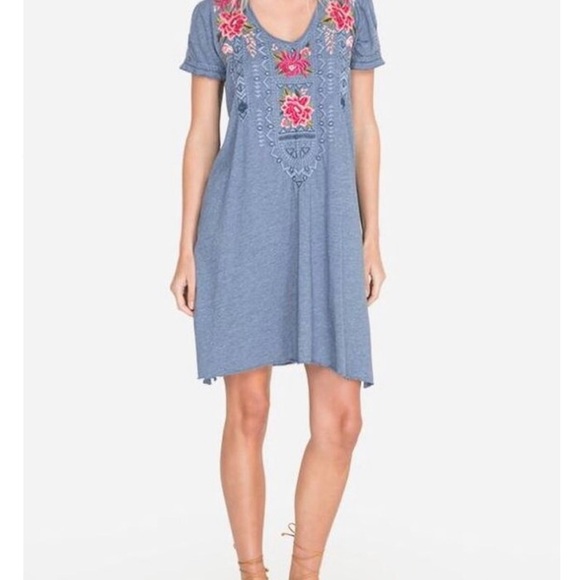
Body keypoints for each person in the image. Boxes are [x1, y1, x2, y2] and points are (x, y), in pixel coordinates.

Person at [170, 0, 387, 577]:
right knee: (250, 409)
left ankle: (304, 571)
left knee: (342, 420)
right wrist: (186, 248)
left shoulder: (350, 10)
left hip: (332, 227)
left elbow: (364, 126)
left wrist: (371, 237)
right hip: (240, 224)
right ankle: (252, 572)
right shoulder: (217, 14)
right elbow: (201, 134)